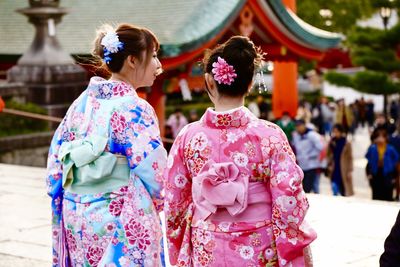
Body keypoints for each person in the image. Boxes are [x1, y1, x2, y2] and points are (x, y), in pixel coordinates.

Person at [164, 36, 316, 266]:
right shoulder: (269, 135)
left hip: (206, 242)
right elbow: (289, 201)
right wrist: (291, 247)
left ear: (210, 82)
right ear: (250, 82)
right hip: (258, 243)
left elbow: (174, 201)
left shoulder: (188, 137)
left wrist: (179, 248)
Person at [45, 23, 167, 266]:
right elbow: (155, 172)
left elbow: (57, 158)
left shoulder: (82, 102)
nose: (159, 65)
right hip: (116, 214)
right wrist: (163, 201)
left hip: (75, 213)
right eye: (153, 56)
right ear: (132, 60)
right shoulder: (135, 108)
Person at [366, 127, 399, 201]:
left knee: (387, 195)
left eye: (382, 136)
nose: (380, 138)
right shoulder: (373, 148)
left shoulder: (390, 149)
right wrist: (369, 174)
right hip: (376, 173)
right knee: (376, 195)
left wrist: (394, 175)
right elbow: (369, 161)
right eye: (378, 136)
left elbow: (396, 160)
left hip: (387, 174)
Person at [292, 119, 324, 193]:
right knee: (303, 187)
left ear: (304, 125)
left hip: (311, 165)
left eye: (299, 126)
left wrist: (310, 155)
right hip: (301, 165)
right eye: (296, 126)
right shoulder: (296, 135)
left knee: (309, 187)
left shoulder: (312, 134)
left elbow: (320, 147)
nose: (298, 128)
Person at [326, 124, 354, 196]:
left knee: (344, 188)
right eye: (334, 132)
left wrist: (350, 170)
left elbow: (350, 157)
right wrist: (329, 163)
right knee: (334, 185)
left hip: (343, 167)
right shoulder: (332, 142)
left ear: (341, 132)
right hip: (334, 167)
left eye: (337, 132)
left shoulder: (346, 143)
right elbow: (328, 154)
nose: (335, 133)